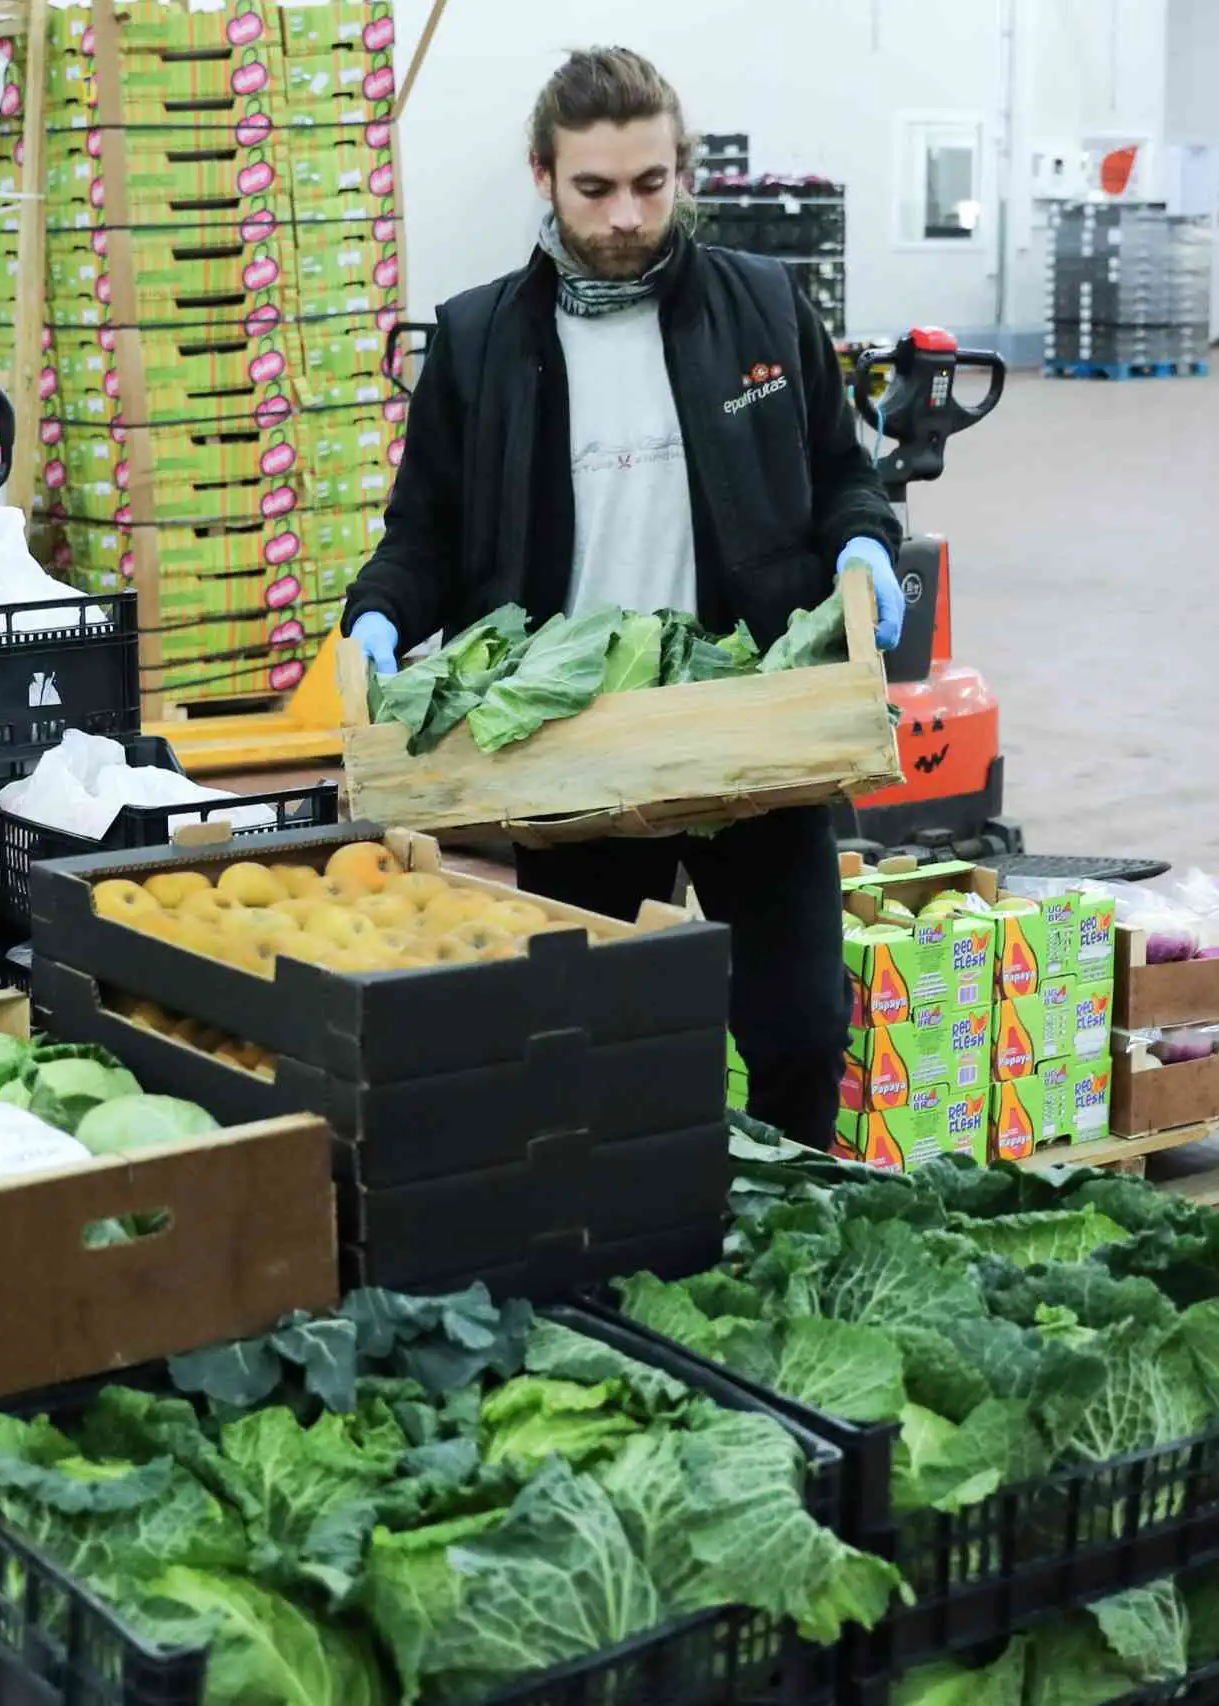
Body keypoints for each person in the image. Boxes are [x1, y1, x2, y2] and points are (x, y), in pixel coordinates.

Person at [339, 46, 904, 1151]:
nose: (627, 216)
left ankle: (784, 1217)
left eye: (651, 183)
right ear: (543, 177)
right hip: (574, 740)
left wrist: (863, 544)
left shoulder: (763, 307)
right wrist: (378, 613)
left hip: (751, 720)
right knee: (595, 1042)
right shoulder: (481, 341)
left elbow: (845, 473)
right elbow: (425, 533)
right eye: (594, 188)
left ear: (682, 170)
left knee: (798, 1028)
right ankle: (629, 1225)